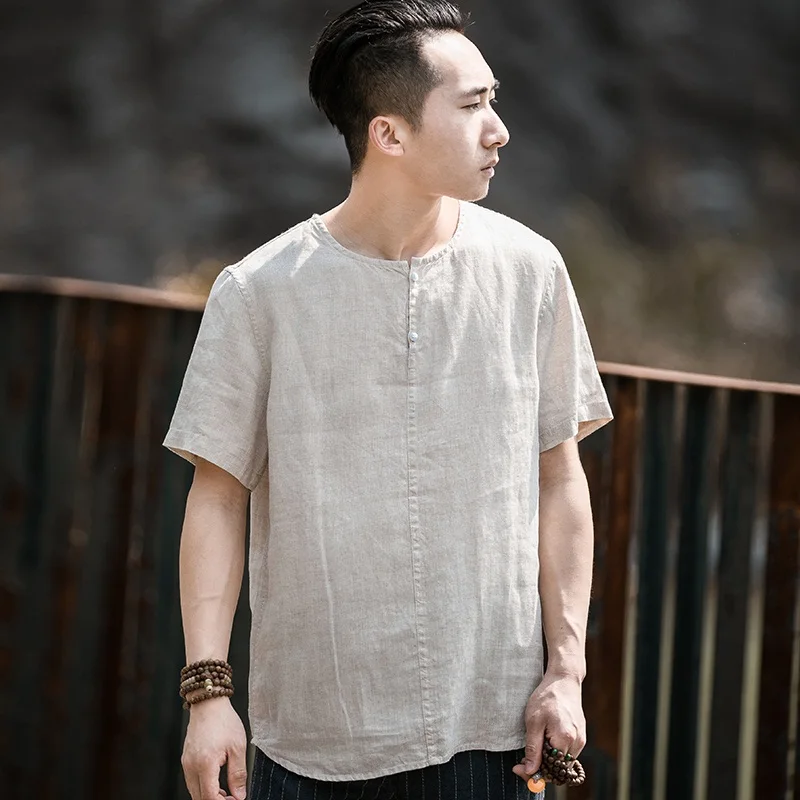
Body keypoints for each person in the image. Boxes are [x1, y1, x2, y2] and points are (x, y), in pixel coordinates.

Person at [164, 1, 613, 798]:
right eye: (471, 106)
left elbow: (559, 478)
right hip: (317, 737)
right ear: (389, 134)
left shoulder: (531, 271)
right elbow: (218, 495)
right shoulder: (260, 293)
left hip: (493, 731)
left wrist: (566, 672)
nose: (499, 129)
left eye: (493, 100)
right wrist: (208, 695)